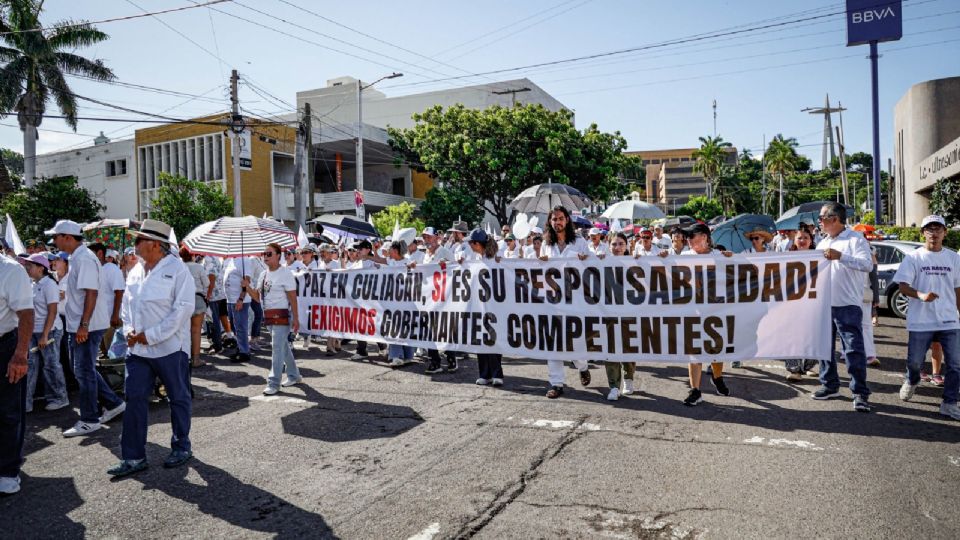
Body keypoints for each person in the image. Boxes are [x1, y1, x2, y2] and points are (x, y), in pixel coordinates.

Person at [108, 219, 194, 477]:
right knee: (134, 398)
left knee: (178, 398)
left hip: (170, 348)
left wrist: (152, 335)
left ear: (156, 245)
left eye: (139, 240)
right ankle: (133, 457)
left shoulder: (178, 270)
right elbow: (127, 304)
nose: (134, 244)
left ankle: (181, 446)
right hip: (139, 351)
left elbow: (183, 310)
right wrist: (129, 330)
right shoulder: (135, 270)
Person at [47, 220, 126, 437]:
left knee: (83, 370)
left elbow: (91, 293)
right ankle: (113, 403)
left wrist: (83, 325)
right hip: (83, 325)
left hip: (87, 326)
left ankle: (90, 418)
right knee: (83, 370)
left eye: (56, 237)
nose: (54, 241)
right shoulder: (79, 257)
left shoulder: (84, 259)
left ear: (68, 237)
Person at [893, 215, 960, 420]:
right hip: (921, 320)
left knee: (956, 364)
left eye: (938, 229)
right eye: (929, 229)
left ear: (945, 233)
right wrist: (920, 295)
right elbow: (902, 285)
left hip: (949, 319)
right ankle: (912, 379)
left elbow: (958, 289)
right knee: (914, 362)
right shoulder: (914, 257)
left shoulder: (953, 258)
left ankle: (949, 403)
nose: (934, 233)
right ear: (923, 233)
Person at [814, 202, 873, 412]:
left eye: (821, 218)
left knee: (853, 350)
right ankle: (829, 385)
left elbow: (867, 265)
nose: (819, 222)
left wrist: (841, 256)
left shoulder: (855, 239)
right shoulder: (821, 243)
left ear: (834, 219)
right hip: (823, 304)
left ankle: (859, 393)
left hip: (847, 304)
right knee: (823, 348)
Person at [538, 206, 591, 399]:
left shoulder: (579, 242)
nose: (558, 222)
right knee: (553, 345)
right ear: (550, 222)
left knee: (575, 342)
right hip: (552, 302)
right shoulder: (546, 244)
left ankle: (582, 366)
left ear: (567, 220)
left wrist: (588, 259)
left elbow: (593, 268)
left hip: (575, 302)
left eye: (561, 218)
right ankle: (556, 383)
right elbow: (536, 271)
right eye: (554, 219)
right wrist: (540, 262)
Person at [679, 223, 734, 406]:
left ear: (704, 237)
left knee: (716, 351)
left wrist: (731, 258)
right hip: (693, 312)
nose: (688, 240)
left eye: (692, 236)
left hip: (716, 312)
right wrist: (664, 258)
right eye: (687, 237)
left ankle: (717, 377)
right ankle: (696, 390)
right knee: (694, 352)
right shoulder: (684, 256)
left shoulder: (718, 256)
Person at [246, 243, 301, 395]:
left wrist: (296, 318)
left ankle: (273, 383)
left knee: (276, 348)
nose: (266, 256)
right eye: (264, 254)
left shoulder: (285, 273)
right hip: (269, 316)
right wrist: (247, 288)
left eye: (269, 253)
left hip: (282, 316)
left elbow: (292, 298)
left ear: (278, 255)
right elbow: (258, 297)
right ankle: (294, 375)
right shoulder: (263, 274)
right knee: (283, 347)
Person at [0, 252, 34, 495]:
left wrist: (21, 354)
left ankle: (7, 471)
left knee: (8, 411)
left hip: (4, 346)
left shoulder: (11, 270)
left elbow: (26, 314)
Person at [20, 254, 68, 412]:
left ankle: (60, 398)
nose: (27, 268)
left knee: (51, 365)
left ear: (41, 268)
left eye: (30, 265)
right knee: (31, 365)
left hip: (50, 331)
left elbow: (52, 312)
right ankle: (26, 402)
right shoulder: (32, 283)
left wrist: (45, 335)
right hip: (33, 331)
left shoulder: (49, 285)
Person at [463, 229, 504, 387]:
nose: (469, 245)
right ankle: (484, 374)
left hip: (494, 307)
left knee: (492, 339)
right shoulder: (474, 259)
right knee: (480, 339)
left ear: (477, 244)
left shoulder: (496, 260)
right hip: (478, 307)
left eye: (471, 242)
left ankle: (496, 373)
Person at [414, 227, 458, 374]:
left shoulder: (445, 252)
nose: (427, 240)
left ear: (436, 238)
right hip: (427, 298)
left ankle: (451, 356)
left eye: (429, 237)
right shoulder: (423, 255)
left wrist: (447, 265)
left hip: (442, 298)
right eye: (425, 237)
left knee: (443, 329)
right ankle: (434, 361)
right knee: (427, 330)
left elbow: (456, 270)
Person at [602, 232, 636, 400]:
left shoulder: (635, 263)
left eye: (621, 244)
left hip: (629, 313)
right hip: (608, 312)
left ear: (627, 246)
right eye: (614, 244)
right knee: (610, 348)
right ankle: (614, 386)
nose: (617, 247)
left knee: (628, 346)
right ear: (609, 246)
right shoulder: (601, 262)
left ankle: (628, 378)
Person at [785, 224, 820, 380]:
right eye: (799, 237)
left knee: (812, 335)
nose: (802, 240)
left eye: (806, 237)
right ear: (794, 240)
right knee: (793, 336)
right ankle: (794, 370)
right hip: (793, 303)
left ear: (811, 240)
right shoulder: (786, 257)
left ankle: (810, 366)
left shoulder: (819, 256)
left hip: (813, 302)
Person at [89, 243, 125, 360]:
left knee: (112, 355)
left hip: (110, 319)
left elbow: (119, 292)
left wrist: (115, 315)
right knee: (102, 355)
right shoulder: (94, 269)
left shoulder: (112, 269)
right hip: (98, 321)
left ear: (99, 254)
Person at [223, 256, 257, 363]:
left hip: (239, 299)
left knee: (241, 326)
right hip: (231, 299)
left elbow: (246, 280)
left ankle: (244, 352)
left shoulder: (244, 260)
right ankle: (240, 347)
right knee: (235, 325)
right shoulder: (231, 260)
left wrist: (241, 298)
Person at [180, 247, 208, 368]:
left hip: (183, 300)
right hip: (198, 298)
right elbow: (206, 283)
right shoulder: (198, 267)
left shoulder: (179, 267)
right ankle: (196, 359)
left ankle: (185, 357)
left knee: (183, 330)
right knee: (196, 331)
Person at [203, 255, 231, 355]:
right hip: (217, 294)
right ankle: (216, 344)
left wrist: (208, 293)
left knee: (213, 321)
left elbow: (212, 276)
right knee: (214, 320)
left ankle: (217, 346)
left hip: (212, 295)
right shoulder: (213, 257)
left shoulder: (208, 258)